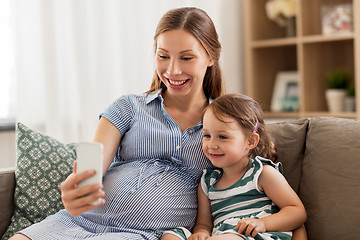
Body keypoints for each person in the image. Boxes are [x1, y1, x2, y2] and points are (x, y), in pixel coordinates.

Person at [10, 7, 223, 240]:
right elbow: (93, 161)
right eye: (163, 56)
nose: (172, 70)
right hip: (76, 221)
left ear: (211, 56)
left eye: (186, 57)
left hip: (140, 233)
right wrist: (79, 186)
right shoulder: (128, 107)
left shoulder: (226, 125)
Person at [162, 94, 307, 240]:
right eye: (207, 135)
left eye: (223, 137)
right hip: (220, 235)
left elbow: (297, 212)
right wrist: (202, 233)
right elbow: (204, 224)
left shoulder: (262, 173)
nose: (212, 145)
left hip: (253, 235)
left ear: (250, 141)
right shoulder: (207, 181)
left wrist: (263, 224)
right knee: (170, 235)